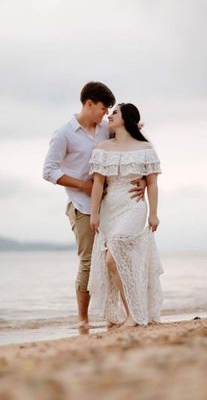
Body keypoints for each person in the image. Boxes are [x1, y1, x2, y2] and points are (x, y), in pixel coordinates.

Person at [42, 82, 146, 327]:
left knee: (114, 257)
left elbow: (130, 145)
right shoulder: (63, 133)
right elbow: (48, 171)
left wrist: (141, 179)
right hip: (81, 205)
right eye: (103, 108)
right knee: (89, 261)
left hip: (113, 205)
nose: (106, 113)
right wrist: (84, 186)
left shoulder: (105, 129)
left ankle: (119, 314)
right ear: (89, 104)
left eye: (110, 109)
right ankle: (83, 320)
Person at [88, 103, 164, 327]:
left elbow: (152, 183)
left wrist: (154, 214)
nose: (110, 116)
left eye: (115, 113)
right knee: (114, 262)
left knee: (114, 255)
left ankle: (134, 314)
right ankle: (133, 312)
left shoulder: (145, 147)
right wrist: (94, 214)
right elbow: (98, 183)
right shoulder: (102, 147)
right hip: (109, 208)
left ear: (127, 118)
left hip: (134, 205)